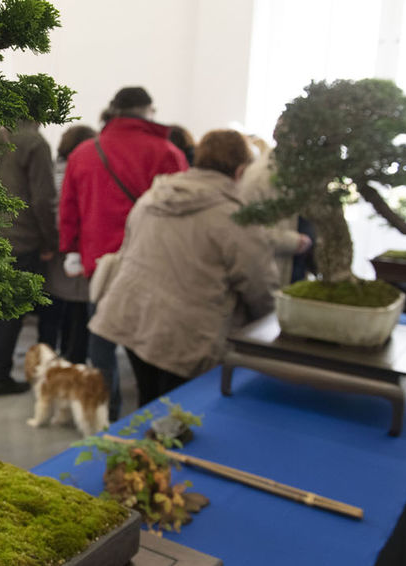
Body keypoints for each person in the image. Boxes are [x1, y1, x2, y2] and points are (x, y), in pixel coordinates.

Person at [88, 129, 277, 406]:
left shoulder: (154, 197)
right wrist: (269, 324)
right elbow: (258, 284)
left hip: (132, 316)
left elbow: (128, 249)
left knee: (149, 405)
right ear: (239, 171)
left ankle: (141, 446)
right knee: (180, 415)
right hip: (187, 334)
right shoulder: (235, 217)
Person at [59, 86, 188, 419]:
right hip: (148, 263)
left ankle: (106, 415)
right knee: (144, 343)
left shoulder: (84, 153)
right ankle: (148, 415)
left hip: (97, 262)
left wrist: (70, 248)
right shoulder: (167, 153)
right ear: (148, 111)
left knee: (100, 342)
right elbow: (181, 216)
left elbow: (69, 209)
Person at [0, 121, 57, 396]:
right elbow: (42, 199)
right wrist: (50, 240)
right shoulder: (33, 142)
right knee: (11, 311)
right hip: (21, 236)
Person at [37, 124, 97, 364]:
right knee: (77, 311)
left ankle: (45, 361)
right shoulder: (84, 172)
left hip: (52, 245)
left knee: (50, 308)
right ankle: (73, 362)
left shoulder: (50, 169)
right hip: (74, 246)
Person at [238, 137, 312, 288]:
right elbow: (246, 227)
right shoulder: (260, 176)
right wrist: (291, 241)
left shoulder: (299, 171)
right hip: (271, 270)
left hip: (293, 266)